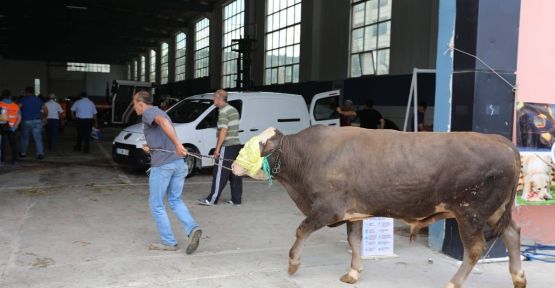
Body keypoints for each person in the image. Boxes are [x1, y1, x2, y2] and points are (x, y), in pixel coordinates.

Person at [132, 90, 202, 253]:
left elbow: (163, 122)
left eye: (134, 103)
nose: (134, 107)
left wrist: (178, 144)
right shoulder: (160, 111)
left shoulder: (149, 113)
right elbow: (163, 129)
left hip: (163, 166)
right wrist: (152, 148)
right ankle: (192, 228)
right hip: (177, 163)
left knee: (156, 204)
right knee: (175, 200)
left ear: (141, 103)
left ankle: (169, 242)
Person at [198, 89, 243, 206]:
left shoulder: (223, 112)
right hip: (236, 145)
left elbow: (223, 131)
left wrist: (217, 148)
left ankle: (211, 199)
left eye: (214, 98)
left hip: (227, 146)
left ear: (219, 99)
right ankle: (236, 199)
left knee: (219, 172)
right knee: (235, 172)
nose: (213, 100)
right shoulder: (233, 110)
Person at [19, 86, 47, 159]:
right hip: (37, 121)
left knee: (25, 138)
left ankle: (23, 153)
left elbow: (17, 109)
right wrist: (44, 117)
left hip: (26, 121)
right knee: (38, 138)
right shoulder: (38, 99)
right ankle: (40, 154)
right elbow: (45, 109)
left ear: (26, 92)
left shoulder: (23, 99)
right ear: (33, 92)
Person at [0, 89, 21, 165]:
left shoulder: (0, 104)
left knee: (2, 144)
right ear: (10, 96)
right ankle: (15, 161)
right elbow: (19, 117)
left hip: (2, 127)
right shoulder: (15, 105)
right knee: (14, 144)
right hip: (12, 127)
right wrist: (15, 126)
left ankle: (2, 160)